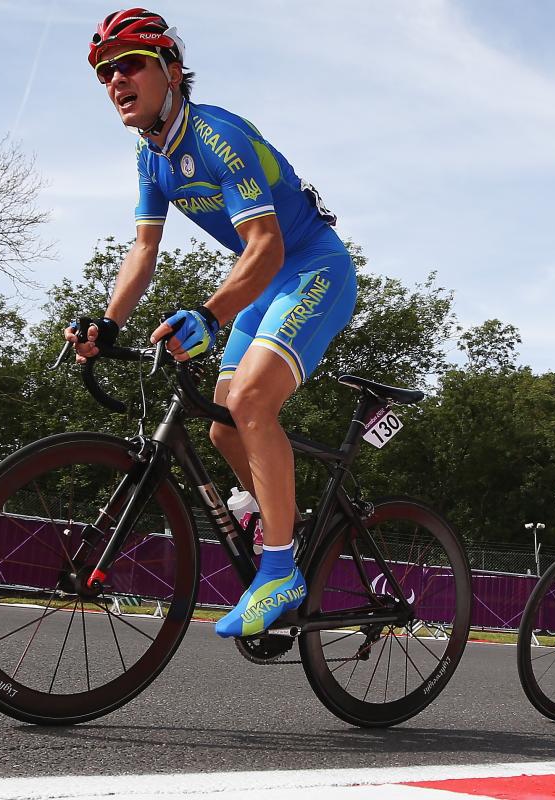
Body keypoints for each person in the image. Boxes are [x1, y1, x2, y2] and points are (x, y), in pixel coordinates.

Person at [65, 9, 356, 639]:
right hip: (265, 280)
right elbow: (142, 253)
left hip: (312, 270)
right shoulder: (152, 160)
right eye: (105, 71)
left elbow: (269, 247)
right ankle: (292, 528)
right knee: (225, 425)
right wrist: (108, 326)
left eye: (130, 63)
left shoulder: (217, 136)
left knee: (251, 401)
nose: (116, 80)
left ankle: (279, 567)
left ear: (171, 71)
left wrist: (209, 313)